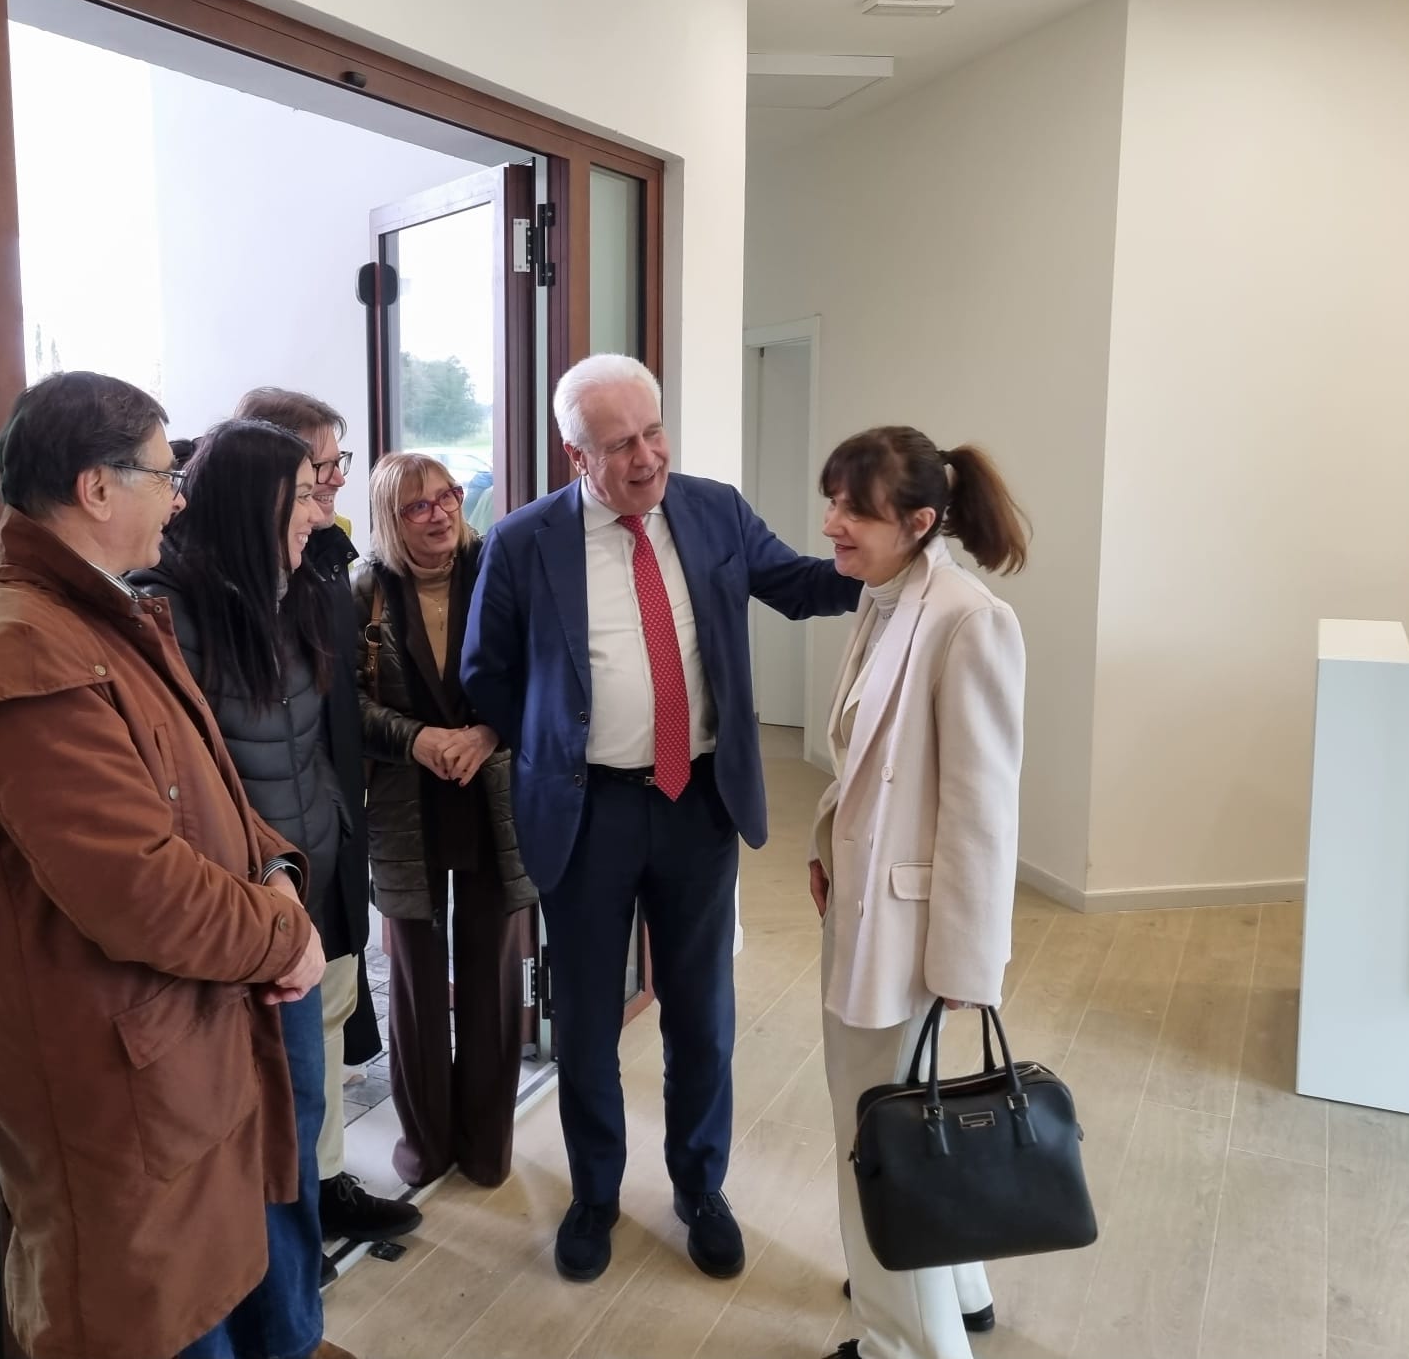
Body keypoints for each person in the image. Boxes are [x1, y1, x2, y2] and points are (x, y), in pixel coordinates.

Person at [0, 373, 346, 1359]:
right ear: (96, 488)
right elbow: (140, 890)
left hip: (176, 1050)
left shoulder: (91, 617)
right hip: (118, 1087)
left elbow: (211, 796)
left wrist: (276, 871)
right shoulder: (23, 650)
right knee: (160, 1319)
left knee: (222, 1293)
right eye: (165, 475)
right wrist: (283, 932)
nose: (180, 499)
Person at [460, 355, 862, 1285]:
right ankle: (595, 1194)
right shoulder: (523, 542)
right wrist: (561, 741)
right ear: (576, 456)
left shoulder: (714, 510)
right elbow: (487, 671)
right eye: (619, 446)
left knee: (702, 1014)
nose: (646, 459)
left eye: (653, 433)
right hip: (587, 813)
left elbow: (798, 585)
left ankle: (700, 1187)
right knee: (587, 1021)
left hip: (697, 805)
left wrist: (884, 555)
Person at [808, 427, 1028, 1359]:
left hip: (907, 929)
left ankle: (903, 1344)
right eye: (832, 502)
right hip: (867, 904)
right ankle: (955, 1288)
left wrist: (969, 965)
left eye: (855, 510)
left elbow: (983, 809)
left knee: (880, 1134)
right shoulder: (889, 595)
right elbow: (867, 758)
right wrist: (827, 842)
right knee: (909, 1116)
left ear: (921, 521)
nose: (832, 524)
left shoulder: (968, 619)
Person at [128, 419, 349, 1330]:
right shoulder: (168, 615)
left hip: (290, 901)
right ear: (253, 502)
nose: (318, 511)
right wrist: (266, 897)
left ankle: (290, 1327)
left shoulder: (287, 593)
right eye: (303, 494)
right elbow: (181, 799)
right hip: (230, 928)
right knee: (250, 1143)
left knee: (295, 1126)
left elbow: (308, 745)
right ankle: (278, 1330)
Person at [232, 387, 415, 1245]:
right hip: (271, 859)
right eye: (320, 468)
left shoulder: (328, 560)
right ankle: (287, 1221)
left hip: (331, 828)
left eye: (337, 464)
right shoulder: (230, 588)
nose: (336, 481)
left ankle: (328, 1181)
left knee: (334, 1010)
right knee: (285, 1047)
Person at [353, 454, 537, 1190]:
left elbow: (544, 676)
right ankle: (426, 1146)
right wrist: (417, 739)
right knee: (416, 980)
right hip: (406, 805)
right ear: (390, 520)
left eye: (448, 496)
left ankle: (487, 1146)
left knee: (493, 974)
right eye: (417, 506)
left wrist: (489, 732)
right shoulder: (363, 591)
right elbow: (345, 704)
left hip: (494, 799)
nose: (440, 514)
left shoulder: (502, 571)